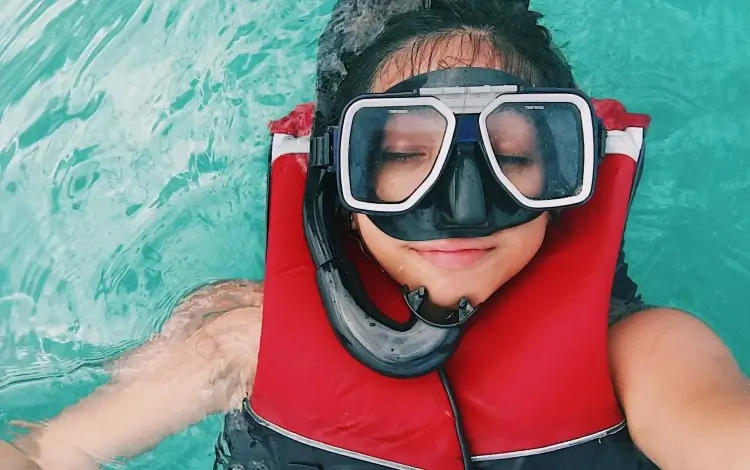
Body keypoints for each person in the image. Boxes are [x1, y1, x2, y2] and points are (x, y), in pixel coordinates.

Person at [2, 1, 749, 469]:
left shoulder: (649, 355)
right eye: (399, 158)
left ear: (567, 172)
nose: (461, 202)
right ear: (340, 179)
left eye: (513, 155)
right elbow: (47, 451)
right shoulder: (249, 340)